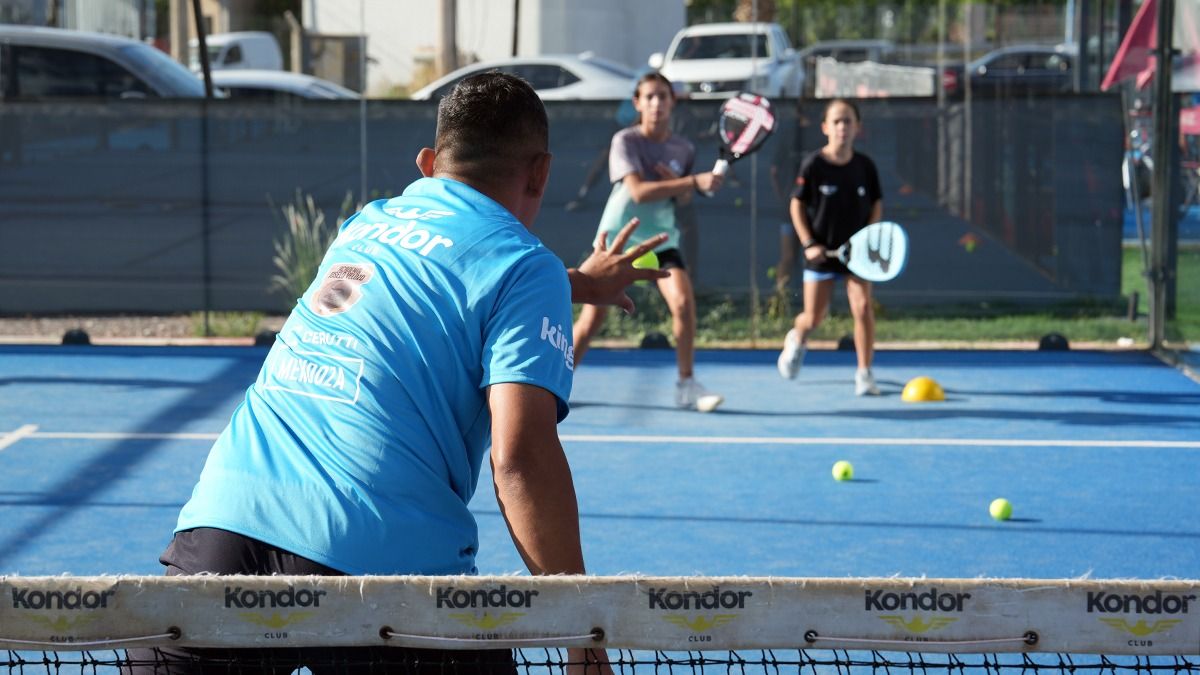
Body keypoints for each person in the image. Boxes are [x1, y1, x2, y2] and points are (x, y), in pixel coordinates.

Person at [126, 72, 665, 675]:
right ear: (539, 171)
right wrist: (581, 631)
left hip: (227, 525)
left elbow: (440, 281)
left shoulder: (367, 224)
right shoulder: (525, 267)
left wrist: (572, 283)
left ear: (429, 163)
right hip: (389, 568)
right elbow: (520, 456)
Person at [571, 72, 725, 412]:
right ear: (638, 103)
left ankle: (687, 385)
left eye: (663, 97)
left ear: (672, 102)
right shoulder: (625, 140)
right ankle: (556, 385)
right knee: (590, 322)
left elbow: (681, 202)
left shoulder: (683, 148)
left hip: (661, 240)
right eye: (649, 97)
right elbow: (638, 191)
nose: (657, 104)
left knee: (684, 305)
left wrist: (693, 187)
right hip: (618, 237)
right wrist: (691, 181)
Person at [777, 99, 883, 396]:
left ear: (857, 128)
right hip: (821, 255)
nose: (842, 127)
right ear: (825, 127)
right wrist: (809, 243)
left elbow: (876, 204)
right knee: (814, 318)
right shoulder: (814, 165)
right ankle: (797, 338)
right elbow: (796, 205)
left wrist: (868, 238)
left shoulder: (865, 166)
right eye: (836, 121)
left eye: (848, 121)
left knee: (862, 308)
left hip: (858, 256)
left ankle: (864, 373)